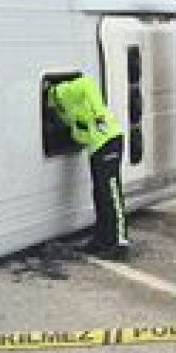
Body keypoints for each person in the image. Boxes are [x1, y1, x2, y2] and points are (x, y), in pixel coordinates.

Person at [47, 73, 129, 259]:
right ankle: (102, 239)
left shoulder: (61, 92)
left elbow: (88, 85)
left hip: (109, 140)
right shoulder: (67, 113)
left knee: (111, 191)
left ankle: (120, 242)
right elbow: (80, 132)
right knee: (100, 193)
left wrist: (99, 116)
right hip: (96, 148)